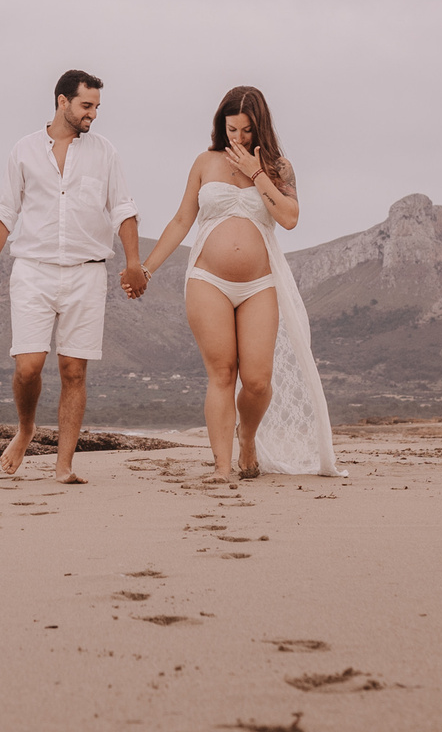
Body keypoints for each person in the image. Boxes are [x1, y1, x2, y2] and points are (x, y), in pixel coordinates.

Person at [132, 86, 339, 483]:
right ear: (220, 125)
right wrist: (148, 269)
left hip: (260, 284)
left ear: (259, 127)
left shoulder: (279, 167)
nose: (239, 138)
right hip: (207, 279)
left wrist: (257, 173)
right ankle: (222, 467)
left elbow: (291, 217)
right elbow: (181, 221)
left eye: (246, 131)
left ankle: (248, 438)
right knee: (223, 373)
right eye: (232, 130)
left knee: (258, 381)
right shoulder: (204, 162)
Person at [0, 69, 145, 482]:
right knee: (29, 367)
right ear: (62, 101)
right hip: (32, 271)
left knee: (73, 370)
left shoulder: (105, 152)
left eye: (97, 107)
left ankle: (64, 466)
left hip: (87, 274)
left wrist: (133, 261)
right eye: (86, 106)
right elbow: (5, 211)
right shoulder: (23, 150)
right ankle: (27, 429)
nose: (93, 114)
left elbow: (122, 208)